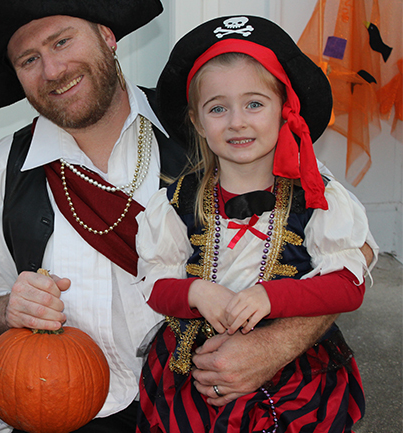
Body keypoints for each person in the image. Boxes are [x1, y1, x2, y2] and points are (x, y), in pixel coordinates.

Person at [0, 1, 376, 432]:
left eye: (62, 41)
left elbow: (352, 255)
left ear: (107, 36)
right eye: (29, 59)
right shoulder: (6, 168)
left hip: (198, 404)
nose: (52, 70)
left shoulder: (217, 127)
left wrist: (273, 347)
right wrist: (10, 310)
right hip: (65, 408)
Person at [135, 15, 375, 432]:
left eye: (254, 104)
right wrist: (195, 291)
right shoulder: (174, 202)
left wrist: (273, 296)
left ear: (285, 110)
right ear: (197, 121)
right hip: (195, 372)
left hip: (295, 376)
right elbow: (154, 285)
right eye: (218, 108)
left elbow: (348, 286)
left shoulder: (317, 196)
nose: (237, 121)